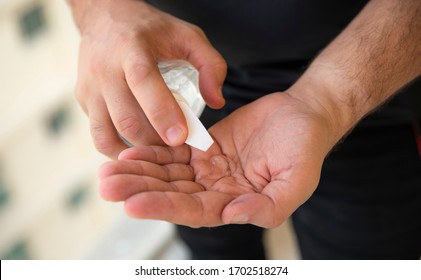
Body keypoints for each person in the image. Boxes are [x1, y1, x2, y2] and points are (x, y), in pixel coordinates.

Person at [67, 0, 421, 259]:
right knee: (209, 246)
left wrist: (325, 100)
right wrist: (101, 12)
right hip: (182, 83)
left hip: (368, 79)